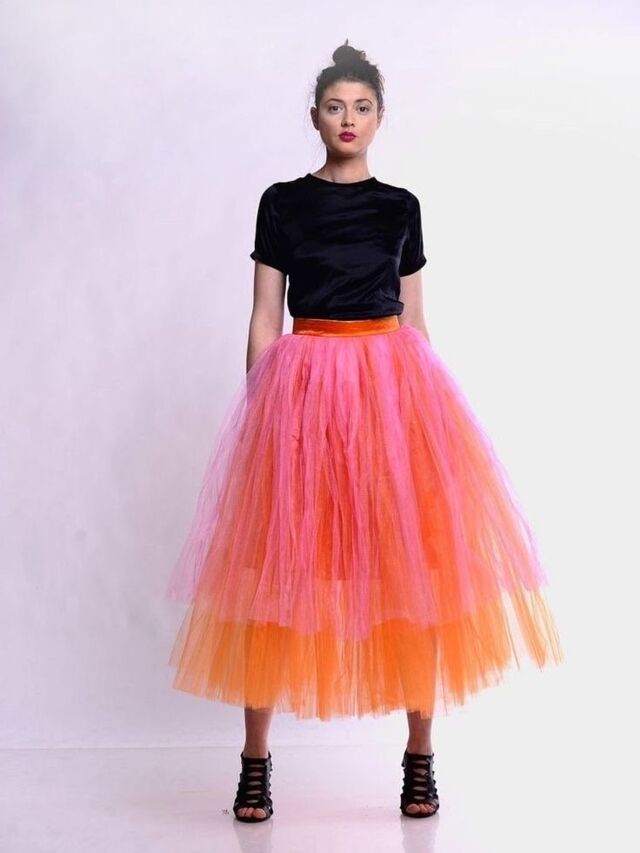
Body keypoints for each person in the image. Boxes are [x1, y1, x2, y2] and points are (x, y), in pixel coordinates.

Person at [164, 39, 563, 823]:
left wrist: (431, 414)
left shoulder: (399, 206)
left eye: (362, 106)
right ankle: (254, 762)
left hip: (389, 386)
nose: (348, 118)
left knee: (417, 570)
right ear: (314, 116)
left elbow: (414, 317)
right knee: (272, 575)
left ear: (380, 117)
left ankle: (420, 758)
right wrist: (260, 410)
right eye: (335, 106)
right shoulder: (282, 202)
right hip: (304, 382)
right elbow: (264, 314)